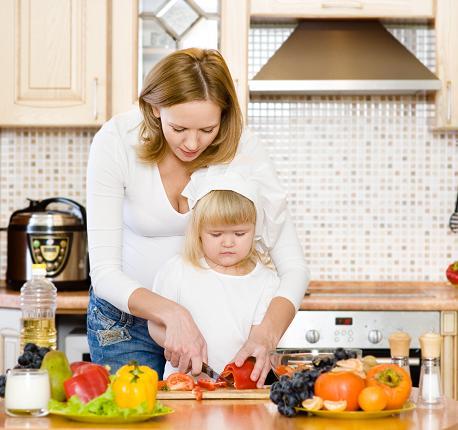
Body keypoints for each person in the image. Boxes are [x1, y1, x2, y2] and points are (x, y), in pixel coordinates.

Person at [86, 47, 309, 385]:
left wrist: (266, 333)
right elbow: (104, 274)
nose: (192, 143)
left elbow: (293, 268)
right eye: (178, 128)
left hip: (213, 328)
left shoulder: (244, 150)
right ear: (154, 109)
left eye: (207, 130)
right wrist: (173, 313)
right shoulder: (116, 142)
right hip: (123, 324)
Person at [148, 181, 280, 377]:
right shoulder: (177, 270)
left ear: (255, 231)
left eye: (240, 233)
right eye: (216, 234)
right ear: (199, 233)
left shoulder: (266, 281)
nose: (228, 242)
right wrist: (174, 343)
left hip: (238, 392)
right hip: (183, 388)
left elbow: (260, 339)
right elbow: (155, 326)